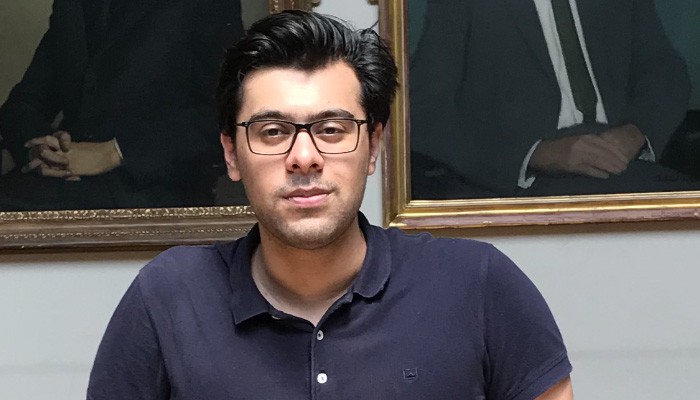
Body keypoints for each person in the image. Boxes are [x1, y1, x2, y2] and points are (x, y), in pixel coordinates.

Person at [87, 11, 573, 399]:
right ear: (232, 154)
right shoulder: (168, 296)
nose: (304, 157)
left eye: (332, 130)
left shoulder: (478, 284)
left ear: (373, 147)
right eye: (272, 131)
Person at [410, 0, 699, 198]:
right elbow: (425, 112)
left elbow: (665, 71)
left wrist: (635, 132)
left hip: (627, 168)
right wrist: (536, 154)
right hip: (523, 185)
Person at [0, 0, 245, 210]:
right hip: (63, 181)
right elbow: (24, 103)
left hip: (154, 189)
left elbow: (226, 116)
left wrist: (114, 152)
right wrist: (42, 150)